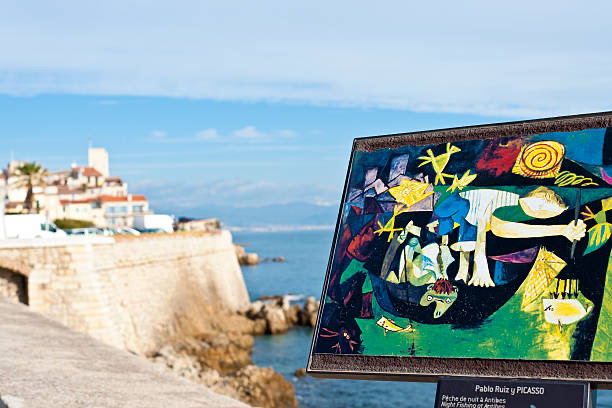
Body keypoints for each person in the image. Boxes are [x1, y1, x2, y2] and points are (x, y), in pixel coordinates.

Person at [429, 186, 586, 287]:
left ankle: (462, 271)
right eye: (542, 207)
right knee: (460, 230)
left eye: (545, 214)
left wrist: (563, 230)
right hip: (455, 207)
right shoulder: (507, 202)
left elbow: (502, 228)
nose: (540, 213)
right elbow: (502, 229)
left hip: (467, 217)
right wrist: (561, 230)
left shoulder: (512, 204)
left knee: (468, 237)